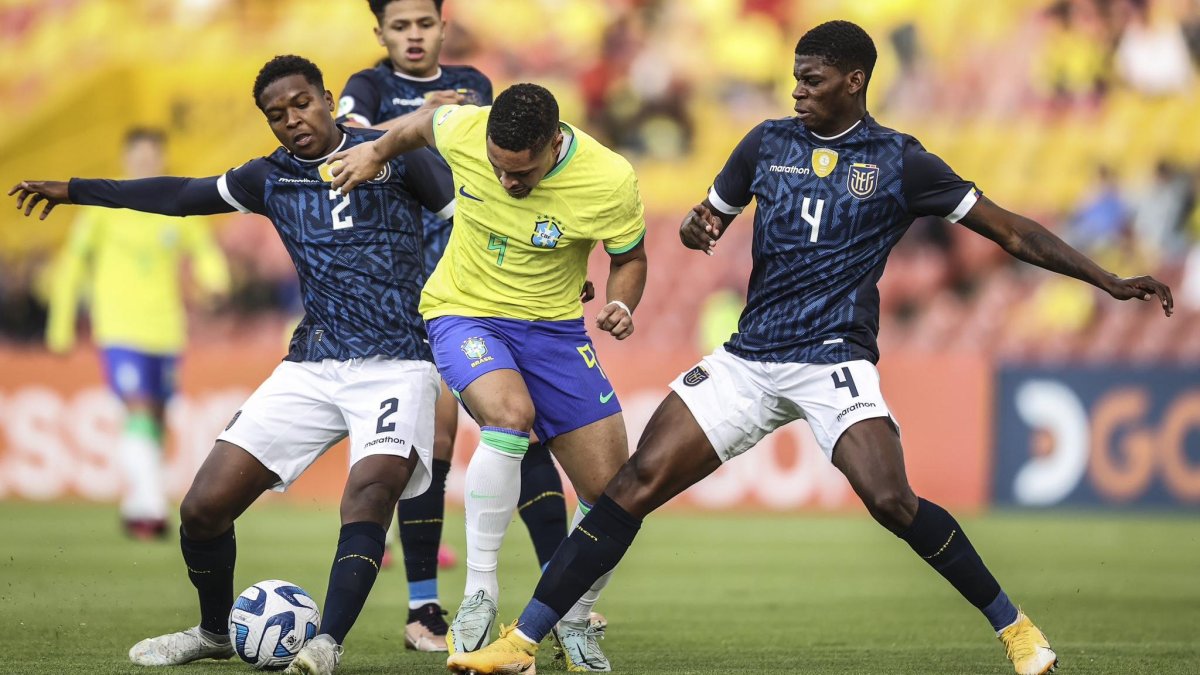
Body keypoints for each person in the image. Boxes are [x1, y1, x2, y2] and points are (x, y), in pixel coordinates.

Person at [447, 20, 1175, 675]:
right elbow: (706, 219)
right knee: (633, 484)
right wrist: (699, 230)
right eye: (795, 76)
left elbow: (1011, 230)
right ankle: (524, 640)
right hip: (748, 357)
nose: (797, 90)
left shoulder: (900, 161)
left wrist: (1106, 278)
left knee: (891, 498)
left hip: (834, 361)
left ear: (854, 81)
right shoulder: (766, 143)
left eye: (812, 79)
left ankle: (1015, 628)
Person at [10, 54, 458, 675]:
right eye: (277, 115)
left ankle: (324, 644)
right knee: (202, 508)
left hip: (398, 364)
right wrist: (77, 190)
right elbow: (181, 194)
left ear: (327, 98)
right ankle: (215, 631)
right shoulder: (268, 177)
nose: (293, 121)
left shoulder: (392, 153)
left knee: (370, 492)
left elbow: (465, 216)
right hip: (312, 364)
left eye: (302, 104)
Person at [329, 81, 648, 671]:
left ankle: (574, 618)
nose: (506, 183)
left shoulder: (609, 179)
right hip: (463, 311)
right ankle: (479, 592)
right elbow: (422, 125)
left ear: (555, 142)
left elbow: (628, 257)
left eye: (521, 174)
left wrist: (621, 303)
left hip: (554, 331)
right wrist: (375, 151)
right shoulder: (465, 128)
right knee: (509, 416)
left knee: (618, 493)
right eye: (497, 170)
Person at [337, 0, 573, 653]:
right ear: (380, 33)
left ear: (444, 25)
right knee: (434, 438)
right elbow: (350, 139)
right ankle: (423, 609)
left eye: (423, 24)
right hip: (406, 282)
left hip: (487, 278)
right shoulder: (367, 87)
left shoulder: (477, 85)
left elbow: (509, 177)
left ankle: (564, 592)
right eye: (399, 27)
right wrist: (422, 117)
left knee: (520, 426)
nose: (412, 36)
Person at [45, 127, 230, 540]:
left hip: (165, 329)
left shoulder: (172, 206)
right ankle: (150, 507)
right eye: (139, 155)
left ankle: (136, 502)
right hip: (118, 326)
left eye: (153, 155)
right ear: (126, 159)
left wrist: (216, 280)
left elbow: (203, 251)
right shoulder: (100, 208)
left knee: (159, 416)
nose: (146, 162)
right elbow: (72, 264)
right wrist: (60, 325)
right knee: (139, 408)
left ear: (161, 159)